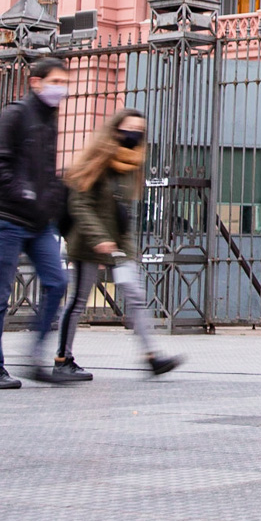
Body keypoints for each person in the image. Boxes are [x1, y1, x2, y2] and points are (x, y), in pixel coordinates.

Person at [54, 109, 181, 378]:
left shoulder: (131, 165)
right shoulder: (97, 160)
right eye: (129, 128)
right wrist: (100, 239)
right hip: (88, 244)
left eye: (140, 130)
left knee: (135, 295)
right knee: (78, 301)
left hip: (118, 247)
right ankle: (62, 358)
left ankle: (152, 356)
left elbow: (124, 213)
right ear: (115, 129)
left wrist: (127, 250)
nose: (134, 134)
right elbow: (80, 205)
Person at [0, 56, 73, 389]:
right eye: (55, 82)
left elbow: (44, 171)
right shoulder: (16, 115)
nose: (61, 89)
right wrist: (26, 193)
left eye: (64, 82)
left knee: (57, 281)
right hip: (5, 218)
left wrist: (53, 199)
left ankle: (34, 356)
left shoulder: (49, 119)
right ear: (36, 82)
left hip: (37, 222)